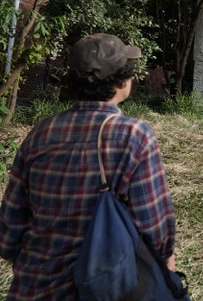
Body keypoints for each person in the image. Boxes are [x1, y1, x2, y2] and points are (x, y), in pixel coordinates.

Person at [0, 33, 178, 300]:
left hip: (32, 289)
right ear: (122, 81)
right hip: (107, 290)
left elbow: (8, 234)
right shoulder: (134, 136)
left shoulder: (40, 133)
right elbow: (156, 233)